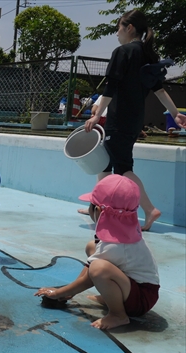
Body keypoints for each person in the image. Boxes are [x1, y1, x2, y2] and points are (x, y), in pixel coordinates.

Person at [83, 10, 186, 231]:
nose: (116, 33)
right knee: (106, 162)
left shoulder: (122, 52)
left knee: (122, 168)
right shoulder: (148, 56)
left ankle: (149, 209)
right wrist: (175, 113)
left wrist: (97, 115)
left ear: (129, 28)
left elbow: (110, 88)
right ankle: (98, 207)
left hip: (119, 120)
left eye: (118, 28)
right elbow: (159, 91)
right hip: (134, 121)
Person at [35, 175, 160, 330]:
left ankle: (118, 315)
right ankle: (114, 297)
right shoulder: (122, 232)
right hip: (138, 288)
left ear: (98, 210)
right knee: (92, 247)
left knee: (99, 269)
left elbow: (90, 278)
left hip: (141, 300)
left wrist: (58, 293)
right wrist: (70, 292)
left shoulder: (115, 245)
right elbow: (91, 263)